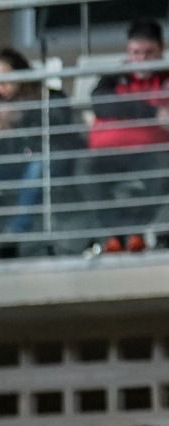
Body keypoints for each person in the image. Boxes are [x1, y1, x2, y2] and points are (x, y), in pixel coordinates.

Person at [0, 48, 79, 259]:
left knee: (36, 167)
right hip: (16, 162)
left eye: (6, 77)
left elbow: (59, 130)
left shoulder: (47, 97)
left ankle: (16, 233)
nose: (0, 85)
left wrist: (22, 119)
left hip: (47, 159)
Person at [86, 20, 169, 255]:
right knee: (85, 170)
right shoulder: (113, 77)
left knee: (164, 170)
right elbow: (100, 104)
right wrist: (153, 112)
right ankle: (119, 233)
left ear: (161, 51)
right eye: (136, 53)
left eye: (148, 52)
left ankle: (132, 232)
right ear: (128, 52)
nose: (141, 58)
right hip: (108, 153)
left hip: (152, 153)